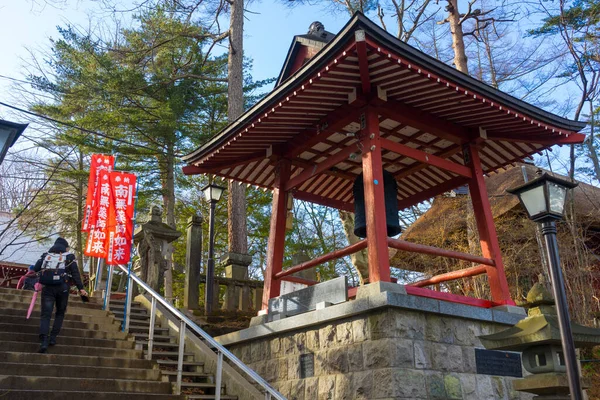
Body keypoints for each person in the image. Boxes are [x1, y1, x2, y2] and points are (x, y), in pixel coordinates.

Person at [33, 237, 88, 353]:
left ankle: (43, 341)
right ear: (65, 246)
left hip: (47, 288)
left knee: (45, 315)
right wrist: (81, 289)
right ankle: (52, 338)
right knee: (60, 313)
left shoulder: (46, 255)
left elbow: (36, 268)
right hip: (63, 287)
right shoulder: (69, 256)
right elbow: (75, 273)